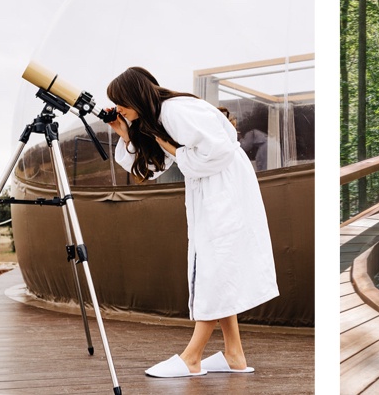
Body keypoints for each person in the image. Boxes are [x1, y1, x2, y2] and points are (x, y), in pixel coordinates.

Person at [105, 66, 279, 378]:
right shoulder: (159, 118)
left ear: (135, 95)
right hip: (213, 186)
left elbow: (219, 150)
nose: (117, 108)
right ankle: (234, 355)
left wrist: (175, 151)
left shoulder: (174, 111)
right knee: (217, 266)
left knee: (214, 266)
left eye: (119, 101)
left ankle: (192, 357)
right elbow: (153, 169)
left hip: (223, 186)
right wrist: (125, 133)